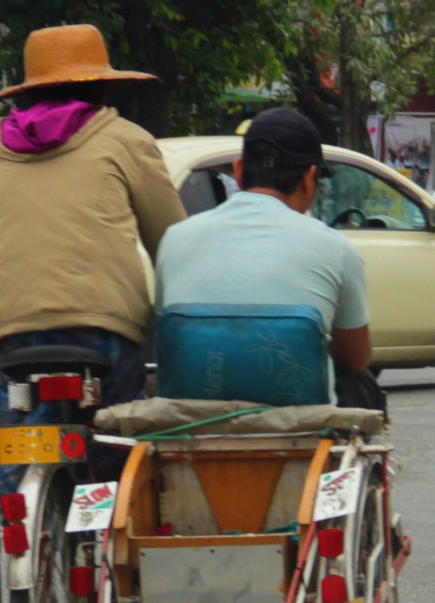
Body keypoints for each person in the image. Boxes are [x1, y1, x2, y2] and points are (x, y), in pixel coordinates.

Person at [0, 24, 186, 491]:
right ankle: (108, 522)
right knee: (118, 455)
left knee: (3, 450)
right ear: (105, 85)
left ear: (30, 90)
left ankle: (20, 511)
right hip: (106, 332)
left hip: (11, 331)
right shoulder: (127, 140)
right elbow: (173, 244)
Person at [154, 106, 380, 413]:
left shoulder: (174, 239)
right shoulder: (336, 247)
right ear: (310, 178)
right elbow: (355, 358)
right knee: (360, 382)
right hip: (302, 424)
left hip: (188, 418)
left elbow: (164, 335)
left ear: (238, 170)